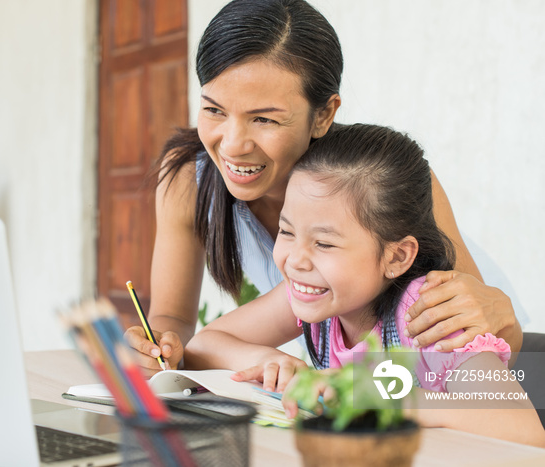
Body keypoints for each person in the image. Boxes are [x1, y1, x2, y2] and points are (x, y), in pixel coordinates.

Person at [124, 0, 522, 376]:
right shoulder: (187, 179)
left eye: (263, 119)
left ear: (324, 115)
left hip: (461, 357)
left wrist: (500, 316)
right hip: (366, 370)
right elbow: (176, 325)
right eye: (214, 109)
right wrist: (159, 347)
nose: (231, 144)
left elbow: (478, 328)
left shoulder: (380, 179)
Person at [185, 124, 545, 446]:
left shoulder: (431, 315)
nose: (295, 259)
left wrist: (377, 396)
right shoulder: (315, 295)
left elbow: (524, 429)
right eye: (286, 231)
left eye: (324, 243)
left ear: (397, 257)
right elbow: (204, 345)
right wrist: (271, 360)